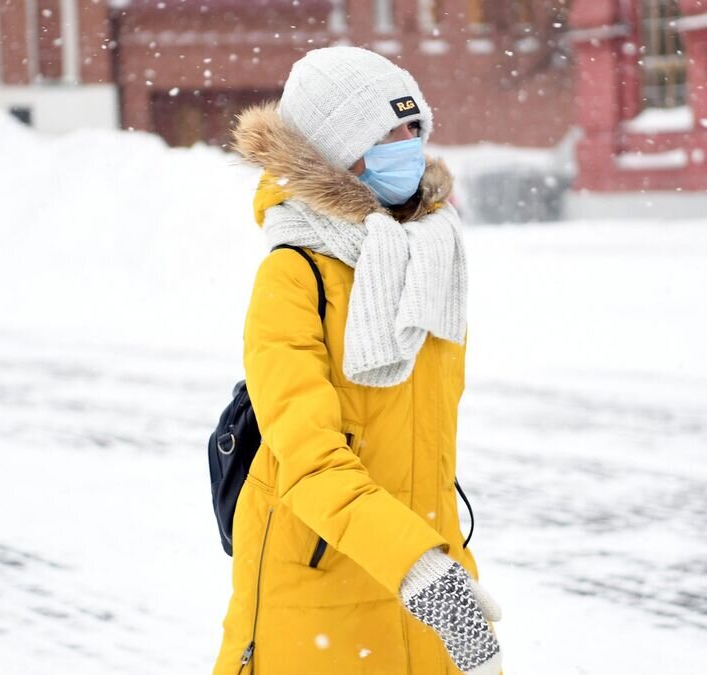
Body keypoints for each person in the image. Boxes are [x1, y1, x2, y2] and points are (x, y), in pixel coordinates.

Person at [215, 46, 501, 675]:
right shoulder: (294, 276)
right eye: (389, 131)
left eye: (414, 128)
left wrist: (447, 569)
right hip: (321, 594)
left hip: (425, 579)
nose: (411, 144)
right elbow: (308, 460)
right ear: (338, 150)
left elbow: (427, 456)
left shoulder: (426, 259)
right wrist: (421, 568)